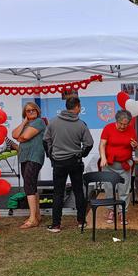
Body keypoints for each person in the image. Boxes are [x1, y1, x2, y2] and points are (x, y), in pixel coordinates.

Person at [43, 96, 93, 233]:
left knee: (58, 193)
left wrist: (51, 156)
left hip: (58, 162)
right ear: (77, 107)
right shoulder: (81, 124)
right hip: (75, 161)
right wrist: (82, 154)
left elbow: (45, 140)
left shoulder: (53, 122)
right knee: (78, 191)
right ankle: (81, 221)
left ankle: (56, 225)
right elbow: (89, 143)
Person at [11, 101, 46, 229]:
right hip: (25, 157)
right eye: (28, 111)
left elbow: (24, 137)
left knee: (29, 185)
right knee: (31, 185)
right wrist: (24, 122)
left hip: (34, 156)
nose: (31, 112)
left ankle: (32, 219)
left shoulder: (39, 122)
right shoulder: (27, 123)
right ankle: (37, 215)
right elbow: (14, 134)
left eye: (33, 110)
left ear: (37, 111)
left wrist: (20, 137)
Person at [99, 109, 137, 225]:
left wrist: (135, 146)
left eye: (126, 124)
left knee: (124, 189)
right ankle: (111, 211)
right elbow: (102, 145)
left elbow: (134, 147)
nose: (123, 126)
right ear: (116, 120)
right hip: (109, 164)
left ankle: (122, 212)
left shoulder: (131, 130)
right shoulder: (108, 128)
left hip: (125, 164)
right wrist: (103, 158)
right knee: (109, 188)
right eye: (121, 124)